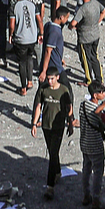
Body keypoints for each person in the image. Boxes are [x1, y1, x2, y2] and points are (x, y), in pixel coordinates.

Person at [30, 68, 74, 200]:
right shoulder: (43, 90)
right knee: (52, 151)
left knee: (53, 152)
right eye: (48, 79)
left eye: (52, 79)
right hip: (46, 126)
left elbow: (69, 108)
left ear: (58, 78)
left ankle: (50, 186)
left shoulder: (64, 91)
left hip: (59, 126)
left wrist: (70, 123)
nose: (49, 81)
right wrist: (34, 123)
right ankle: (58, 171)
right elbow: (38, 106)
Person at [77, 83, 105, 209]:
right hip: (95, 145)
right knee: (98, 172)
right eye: (102, 92)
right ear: (95, 95)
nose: (104, 95)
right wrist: (103, 106)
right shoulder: (96, 109)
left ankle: (86, 195)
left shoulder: (83, 105)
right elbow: (103, 124)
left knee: (86, 170)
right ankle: (95, 200)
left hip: (84, 143)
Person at [73, 0, 105, 88]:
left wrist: (72, 26)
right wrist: (98, 21)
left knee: (85, 60)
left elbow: (74, 23)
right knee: (94, 57)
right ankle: (99, 79)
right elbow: (104, 11)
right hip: (95, 35)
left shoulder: (82, 9)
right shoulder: (95, 3)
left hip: (84, 38)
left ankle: (88, 80)